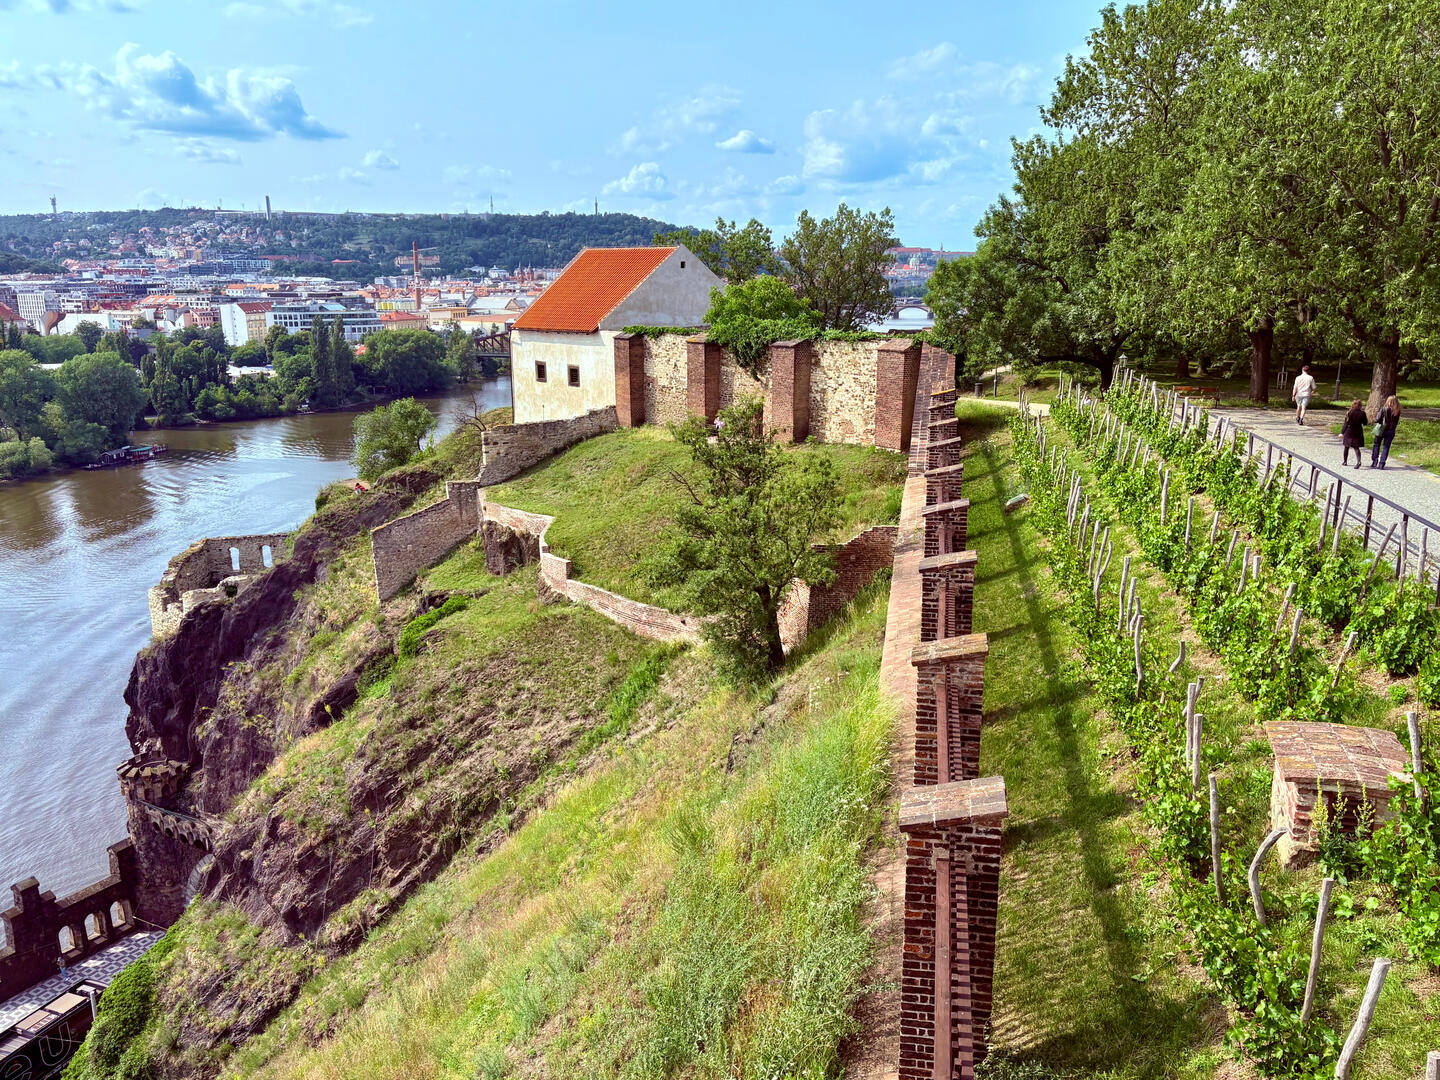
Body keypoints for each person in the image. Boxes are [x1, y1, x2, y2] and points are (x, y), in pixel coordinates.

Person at [1371, 395, 1402, 469]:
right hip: (1391, 430)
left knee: (1377, 445)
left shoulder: (1384, 409)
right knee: (1386, 447)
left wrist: (1375, 419)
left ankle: (1374, 461)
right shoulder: (1397, 411)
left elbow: (1378, 419)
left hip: (1381, 429)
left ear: (1388, 401)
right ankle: (1382, 463)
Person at [1341, 399, 1366, 468]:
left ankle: (1345, 461)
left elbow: (1346, 424)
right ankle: (1359, 461)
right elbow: (1365, 423)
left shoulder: (1349, 412)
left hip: (1349, 431)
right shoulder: (1362, 413)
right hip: (1358, 431)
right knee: (1356, 447)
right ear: (1360, 406)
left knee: (1346, 446)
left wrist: (1342, 432)